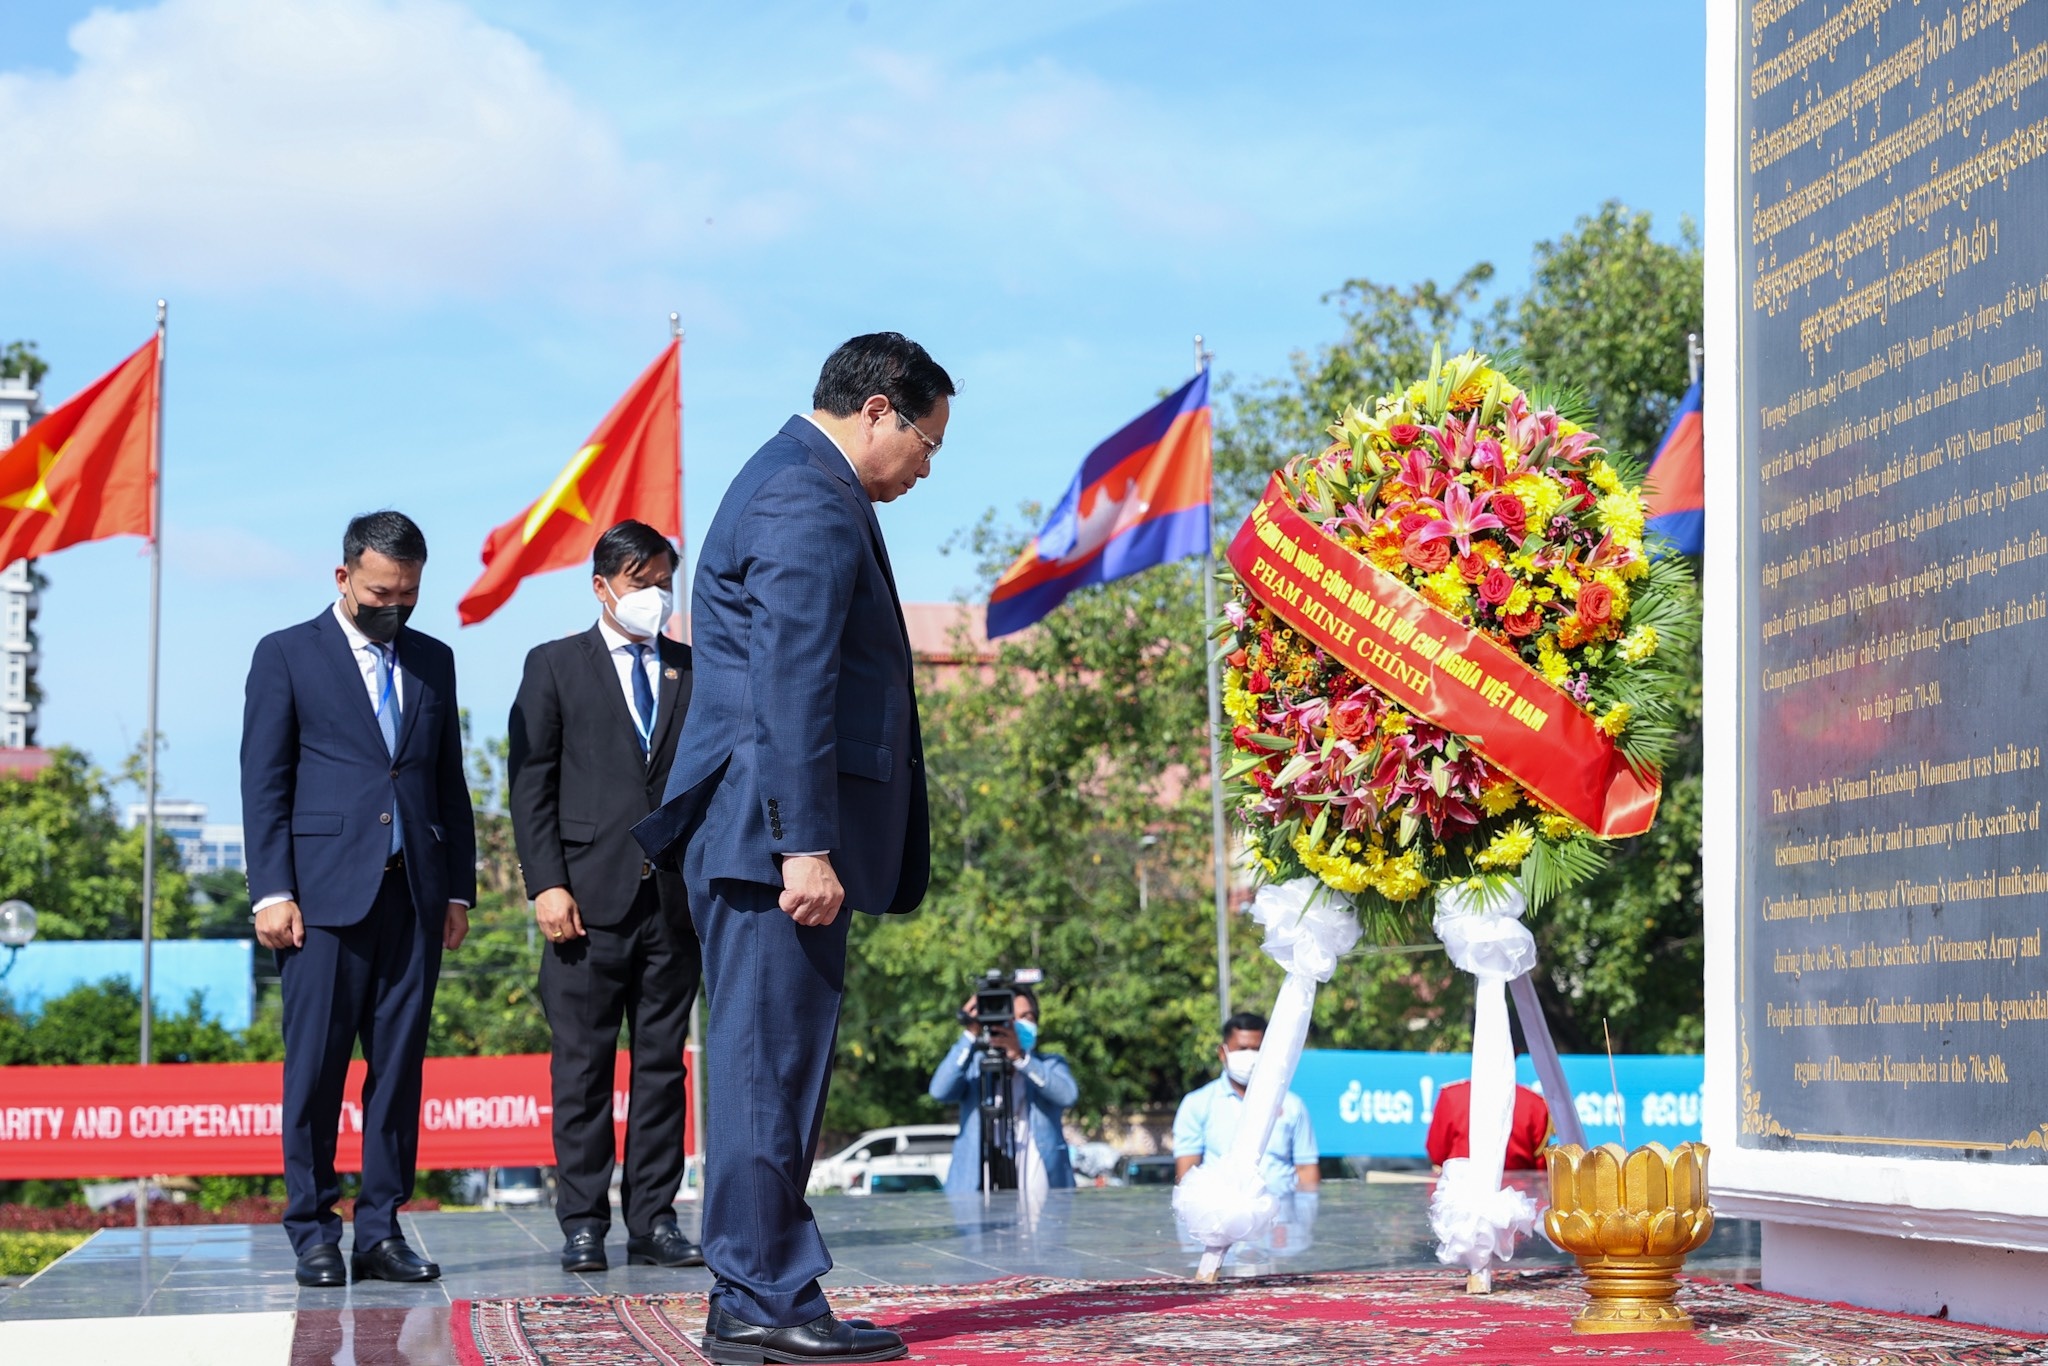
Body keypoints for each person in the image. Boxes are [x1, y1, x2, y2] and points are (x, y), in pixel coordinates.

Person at [635, 332, 952, 1365]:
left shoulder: (801, 481)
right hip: (770, 841)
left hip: (764, 834)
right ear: (876, 409)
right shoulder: (806, 496)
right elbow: (792, 679)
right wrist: (803, 846)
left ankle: (760, 1285)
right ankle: (760, 1291)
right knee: (765, 1069)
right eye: (925, 442)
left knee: (773, 1065)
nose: (926, 467)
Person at [242, 511, 476, 1288]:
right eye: (380, 593)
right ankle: (313, 1229)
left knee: (399, 1071)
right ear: (344, 577)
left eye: (408, 595)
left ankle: (380, 1229)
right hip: (319, 902)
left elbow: (447, 781)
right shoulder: (286, 655)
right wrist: (272, 891)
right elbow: (264, 783)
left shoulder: (434, 660)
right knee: (315, 1071)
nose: (394, 607)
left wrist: (459, 889)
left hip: (414, 895)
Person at [509, 520, 702, 1274]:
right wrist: (546, 883)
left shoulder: (693, 668)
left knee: (663, 1069)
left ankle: (653, 1220)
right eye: (639, 582)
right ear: (602, 586)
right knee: (583, 1070)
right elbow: (531, 785)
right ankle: (583, 1223)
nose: (654, 595)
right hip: (584, 904)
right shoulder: (554, 665)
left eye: (664, 583)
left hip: (674, 903)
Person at [929, 986, 1078, 1196]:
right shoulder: (976, 1066)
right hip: (977, 1189)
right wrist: (971, 1032)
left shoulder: (1049, 1064)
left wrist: (1020, 1059)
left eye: (1026, 1017)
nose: (1016, 1025)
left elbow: (1067, 1095)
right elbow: (939, 1091)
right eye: (1010, 1018)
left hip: (1042, 1190)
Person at [1172, 1012, 1321, 1195]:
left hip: (1282, 1210)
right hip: (1220, 1210)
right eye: (1242, 1049)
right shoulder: (1197, 1104)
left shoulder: (1292, 1105)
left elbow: (1306, 1171)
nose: (1249, 1057)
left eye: (1257, 1049)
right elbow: (1187, 1173)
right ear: (1223, 1053)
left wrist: (1305, 1210)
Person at [1425, 1074, 1553, 1170]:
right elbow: (1540, 1168)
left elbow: (1437, 1155)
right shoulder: (1534, 1103)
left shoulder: (1452, 1095)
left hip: (1459, 1193)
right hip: (1518, 1195)